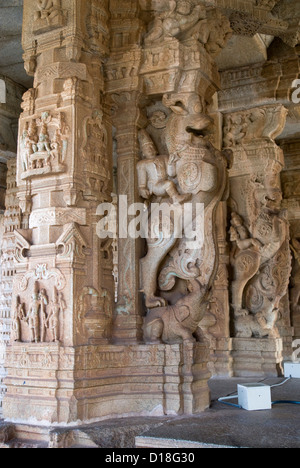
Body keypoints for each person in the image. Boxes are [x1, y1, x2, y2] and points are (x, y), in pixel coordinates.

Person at [137, 129, 189, 205]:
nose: (150, 149)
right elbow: (142, 181)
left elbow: (171, 174)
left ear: (155, 149)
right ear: (143, 153)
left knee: (179, 179)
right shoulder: (142, 164)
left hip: (168, 179)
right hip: (155, 186)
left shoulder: (164, 157)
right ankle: (175, 198)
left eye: (151, 147)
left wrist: (171, 163)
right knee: (168, 184)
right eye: (146, 148)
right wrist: (142, 188)